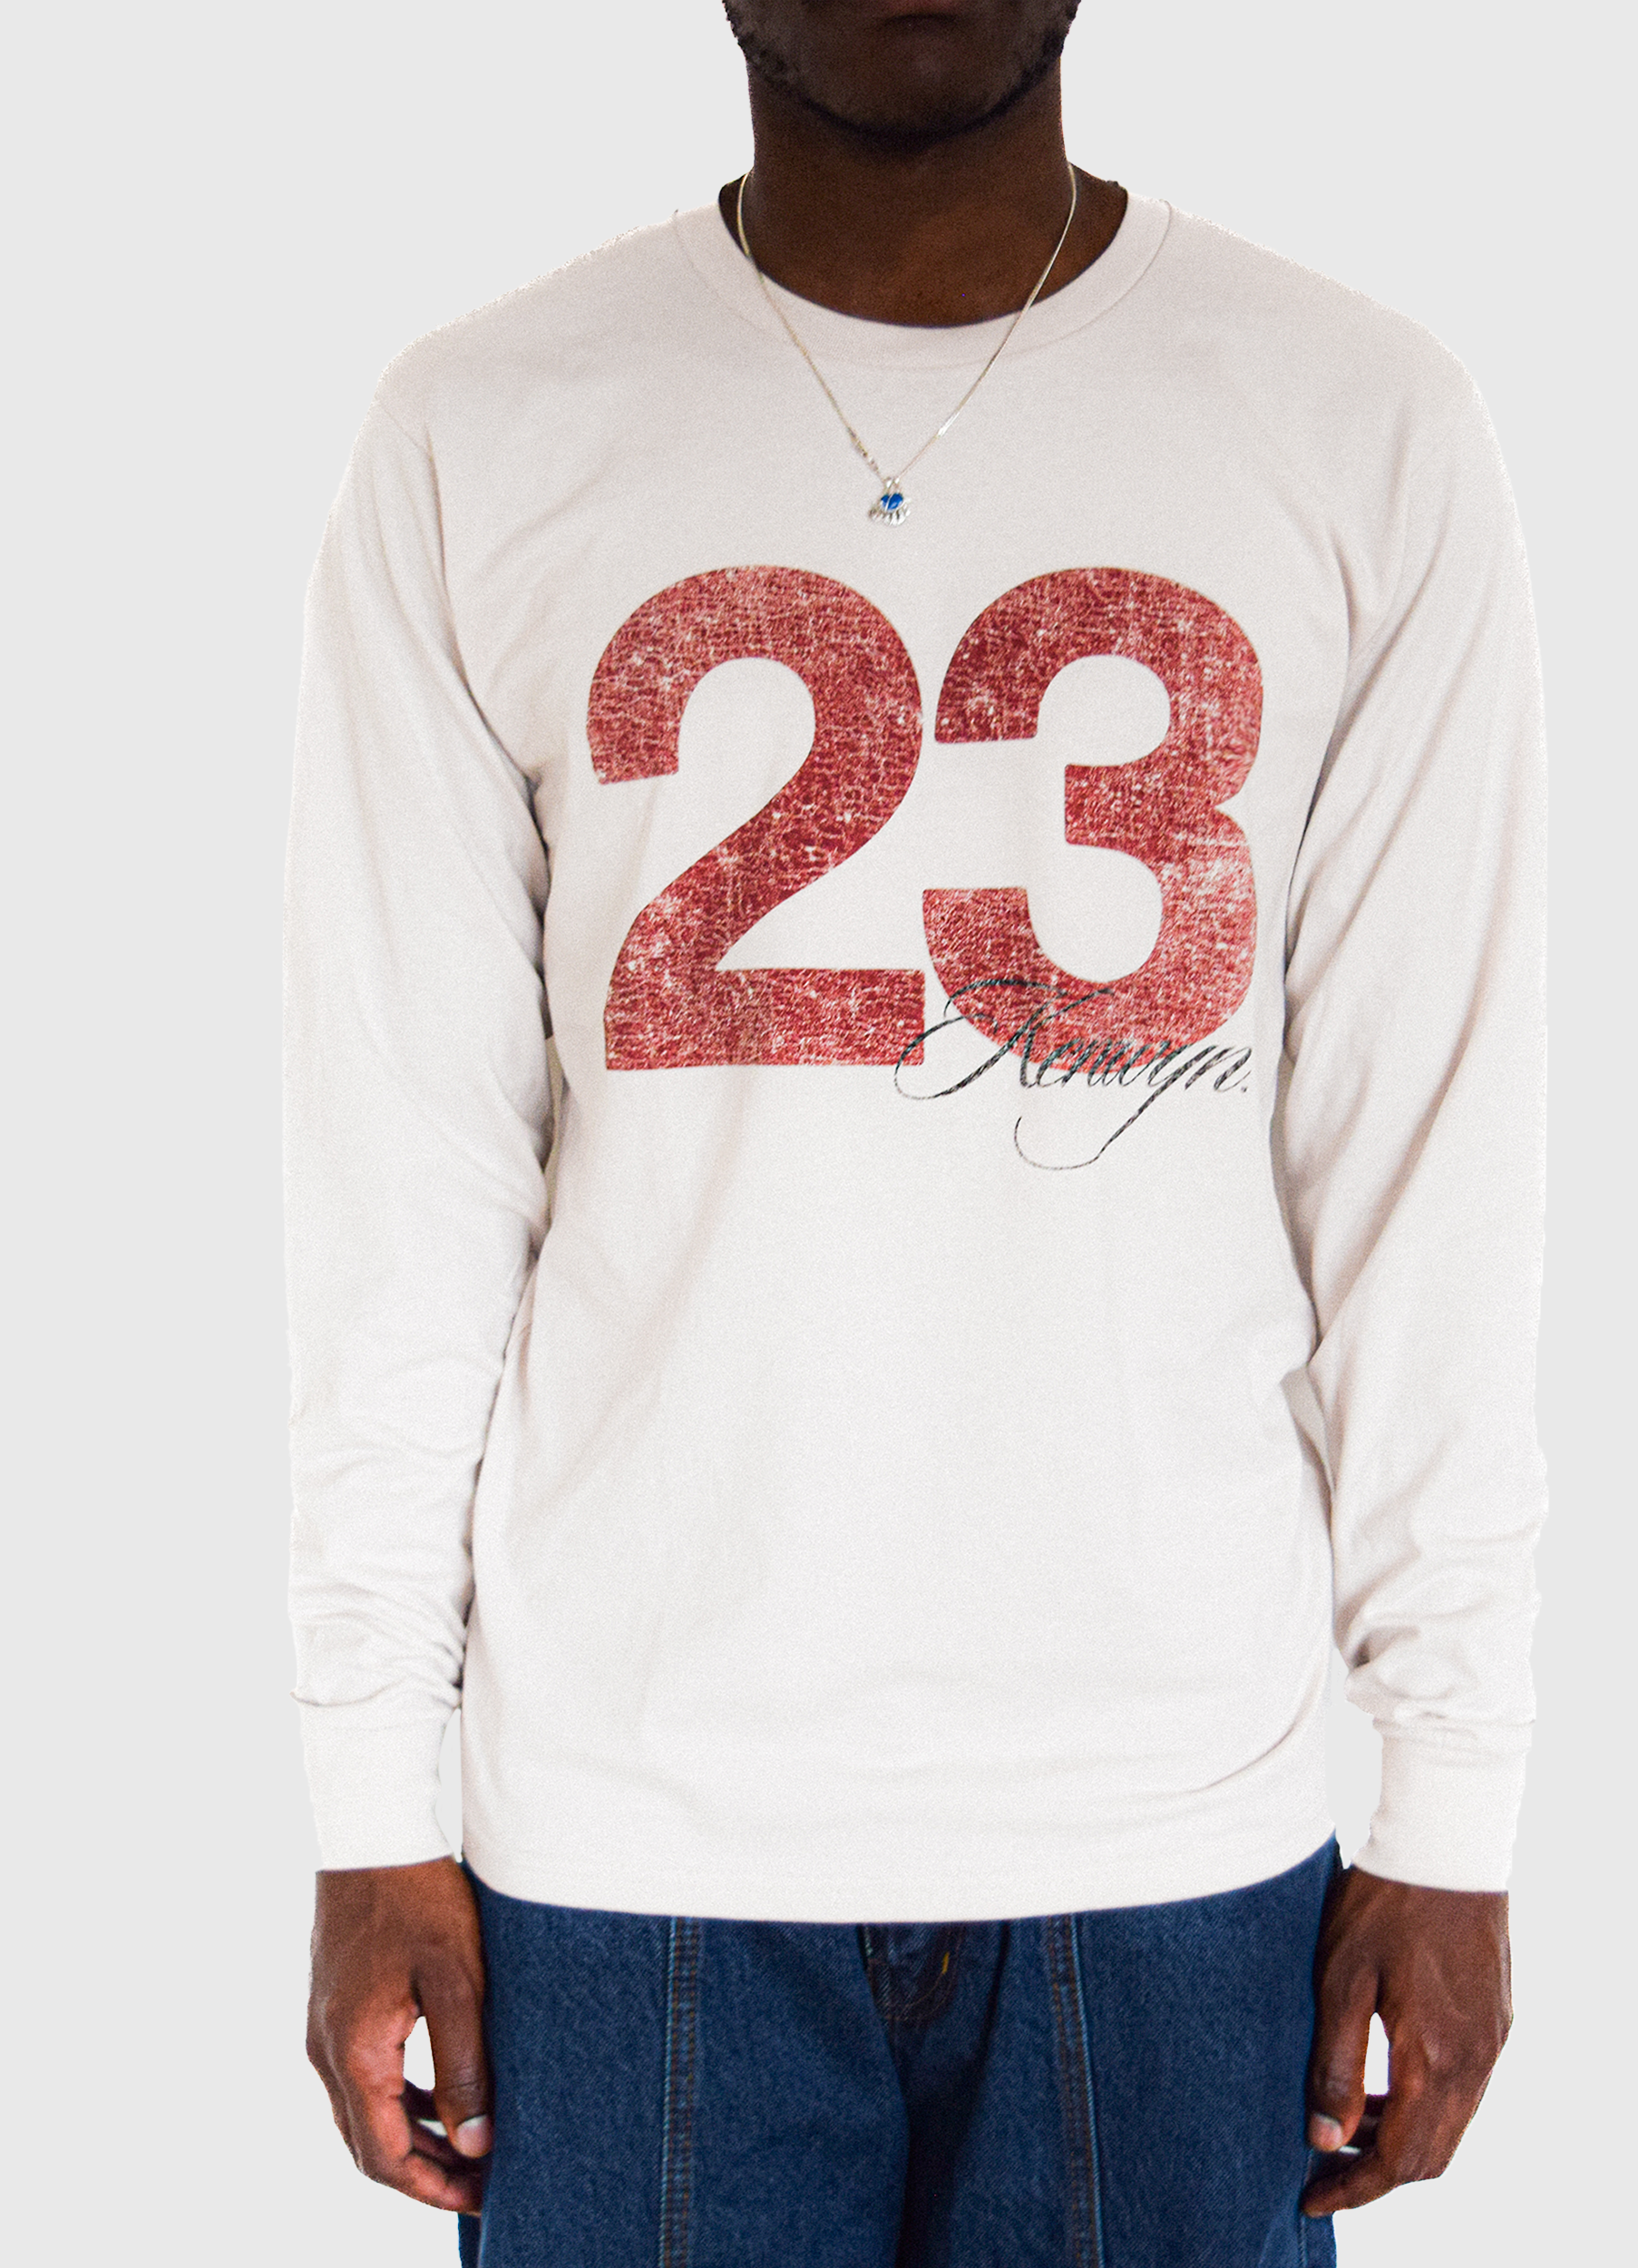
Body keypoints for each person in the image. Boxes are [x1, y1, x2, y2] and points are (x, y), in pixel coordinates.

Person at [288, 3, 1545, 2260]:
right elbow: (405, 1169)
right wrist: (365, 1785)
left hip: (1170, 1821)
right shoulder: (483, 431)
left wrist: (1451, 1789)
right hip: (627, 1835)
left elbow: (1424, 1159)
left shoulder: (1356, 421)